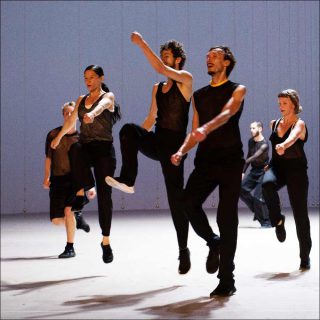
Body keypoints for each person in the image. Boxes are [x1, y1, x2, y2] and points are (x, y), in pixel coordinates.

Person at [105, 31, 193, 274]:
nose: (163, 60)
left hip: (175, 148)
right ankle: (128, 179)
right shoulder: (157, 88)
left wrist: (142, 43)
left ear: (177, 60)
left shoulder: (186, 79)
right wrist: (130, 141)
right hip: (157, 141)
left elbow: (158, 67)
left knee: (176, 201)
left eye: (166, 57)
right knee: (128, 130)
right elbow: (150, 118)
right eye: (161, 56)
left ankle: (183, 251)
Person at [171, 46, 246, 297]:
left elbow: (228, 113)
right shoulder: (199, 95)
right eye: (207, 56)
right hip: (206, 160)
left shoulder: (237, 89)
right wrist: (182, 150)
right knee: (187, 202)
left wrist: (208, 128)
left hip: (230, 161)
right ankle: (213, 242)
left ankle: (227, 279)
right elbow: (195, 130)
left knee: (226, 218)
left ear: (226, 61)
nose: (208, 58)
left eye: (214, 55)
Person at [51, 65, 121, 264]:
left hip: (104, 150)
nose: (88, 81)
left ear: (100, 78)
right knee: (75, 149)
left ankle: (105, 242)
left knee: (105, 197)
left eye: (92, 77)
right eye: (85, 78)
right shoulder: (81, 99)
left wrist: (93, 114)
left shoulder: (109, 97)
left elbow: (101, 106)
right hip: (87, 147)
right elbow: (71, 121)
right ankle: (84, 191)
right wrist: (59, 137)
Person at [262, 89, 312, 270]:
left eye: (284, 103)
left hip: (297, 170)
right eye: (279, 103)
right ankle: (278, 220)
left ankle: (305, 256)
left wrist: (284, 144)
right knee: (266, 184)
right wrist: (270, 162)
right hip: (278, 168)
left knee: (300, 214)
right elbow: (274, 146)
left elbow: (292, 137)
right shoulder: (273, 124)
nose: (281, 107)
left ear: (293, 104)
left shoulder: (300, 124)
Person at [43, 101, 93, 258]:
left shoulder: (82, 138)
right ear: (63, 115)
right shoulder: (53, 134)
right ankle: (76, 221)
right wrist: (46, 176)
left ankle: (70, 248)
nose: (69, 115)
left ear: (77, 116)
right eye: (66, 113)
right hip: (57, 179)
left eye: (72, 113)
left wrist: (90, 187)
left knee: (68, 210)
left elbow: (86, 164)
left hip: (75, 180)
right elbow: (48, 158)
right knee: (56, 220)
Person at [240, 121, 271, 227]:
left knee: (258, 197)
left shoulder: (264, 144)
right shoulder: (250, 141)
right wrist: (243, 172)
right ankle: (258, 212)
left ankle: (266, 221)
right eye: (250, 128)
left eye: (253, 128)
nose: (251, 130)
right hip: (254, 171)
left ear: (260, 129)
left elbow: (253, 157)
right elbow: (249, 154)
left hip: (264, 172)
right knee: (241, 189)